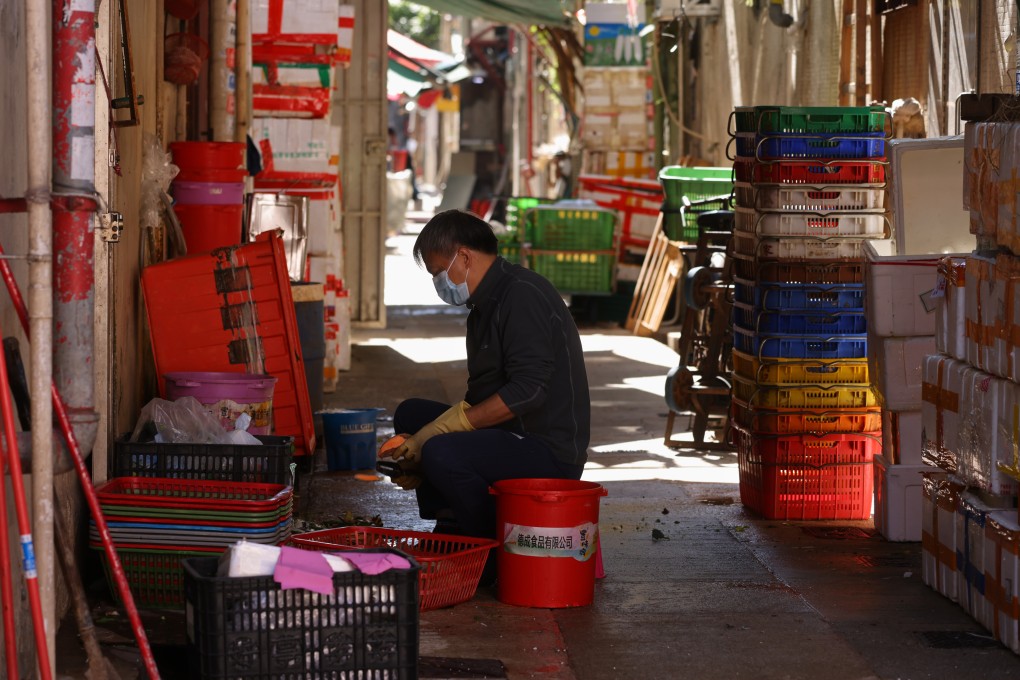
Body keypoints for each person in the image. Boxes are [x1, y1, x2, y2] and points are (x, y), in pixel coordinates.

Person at [379, 209, 591, 546]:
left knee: (440, 450)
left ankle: (487, 547)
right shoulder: (482, 308)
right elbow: (482, 394)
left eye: (439, 273)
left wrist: (440, 432)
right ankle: (451, 518)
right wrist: (420, 444)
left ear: (464, 256)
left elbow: (527, 391)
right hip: (510, 432)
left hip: (545, 449)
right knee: (411, 415)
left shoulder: (522, 295)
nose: (439, 284)